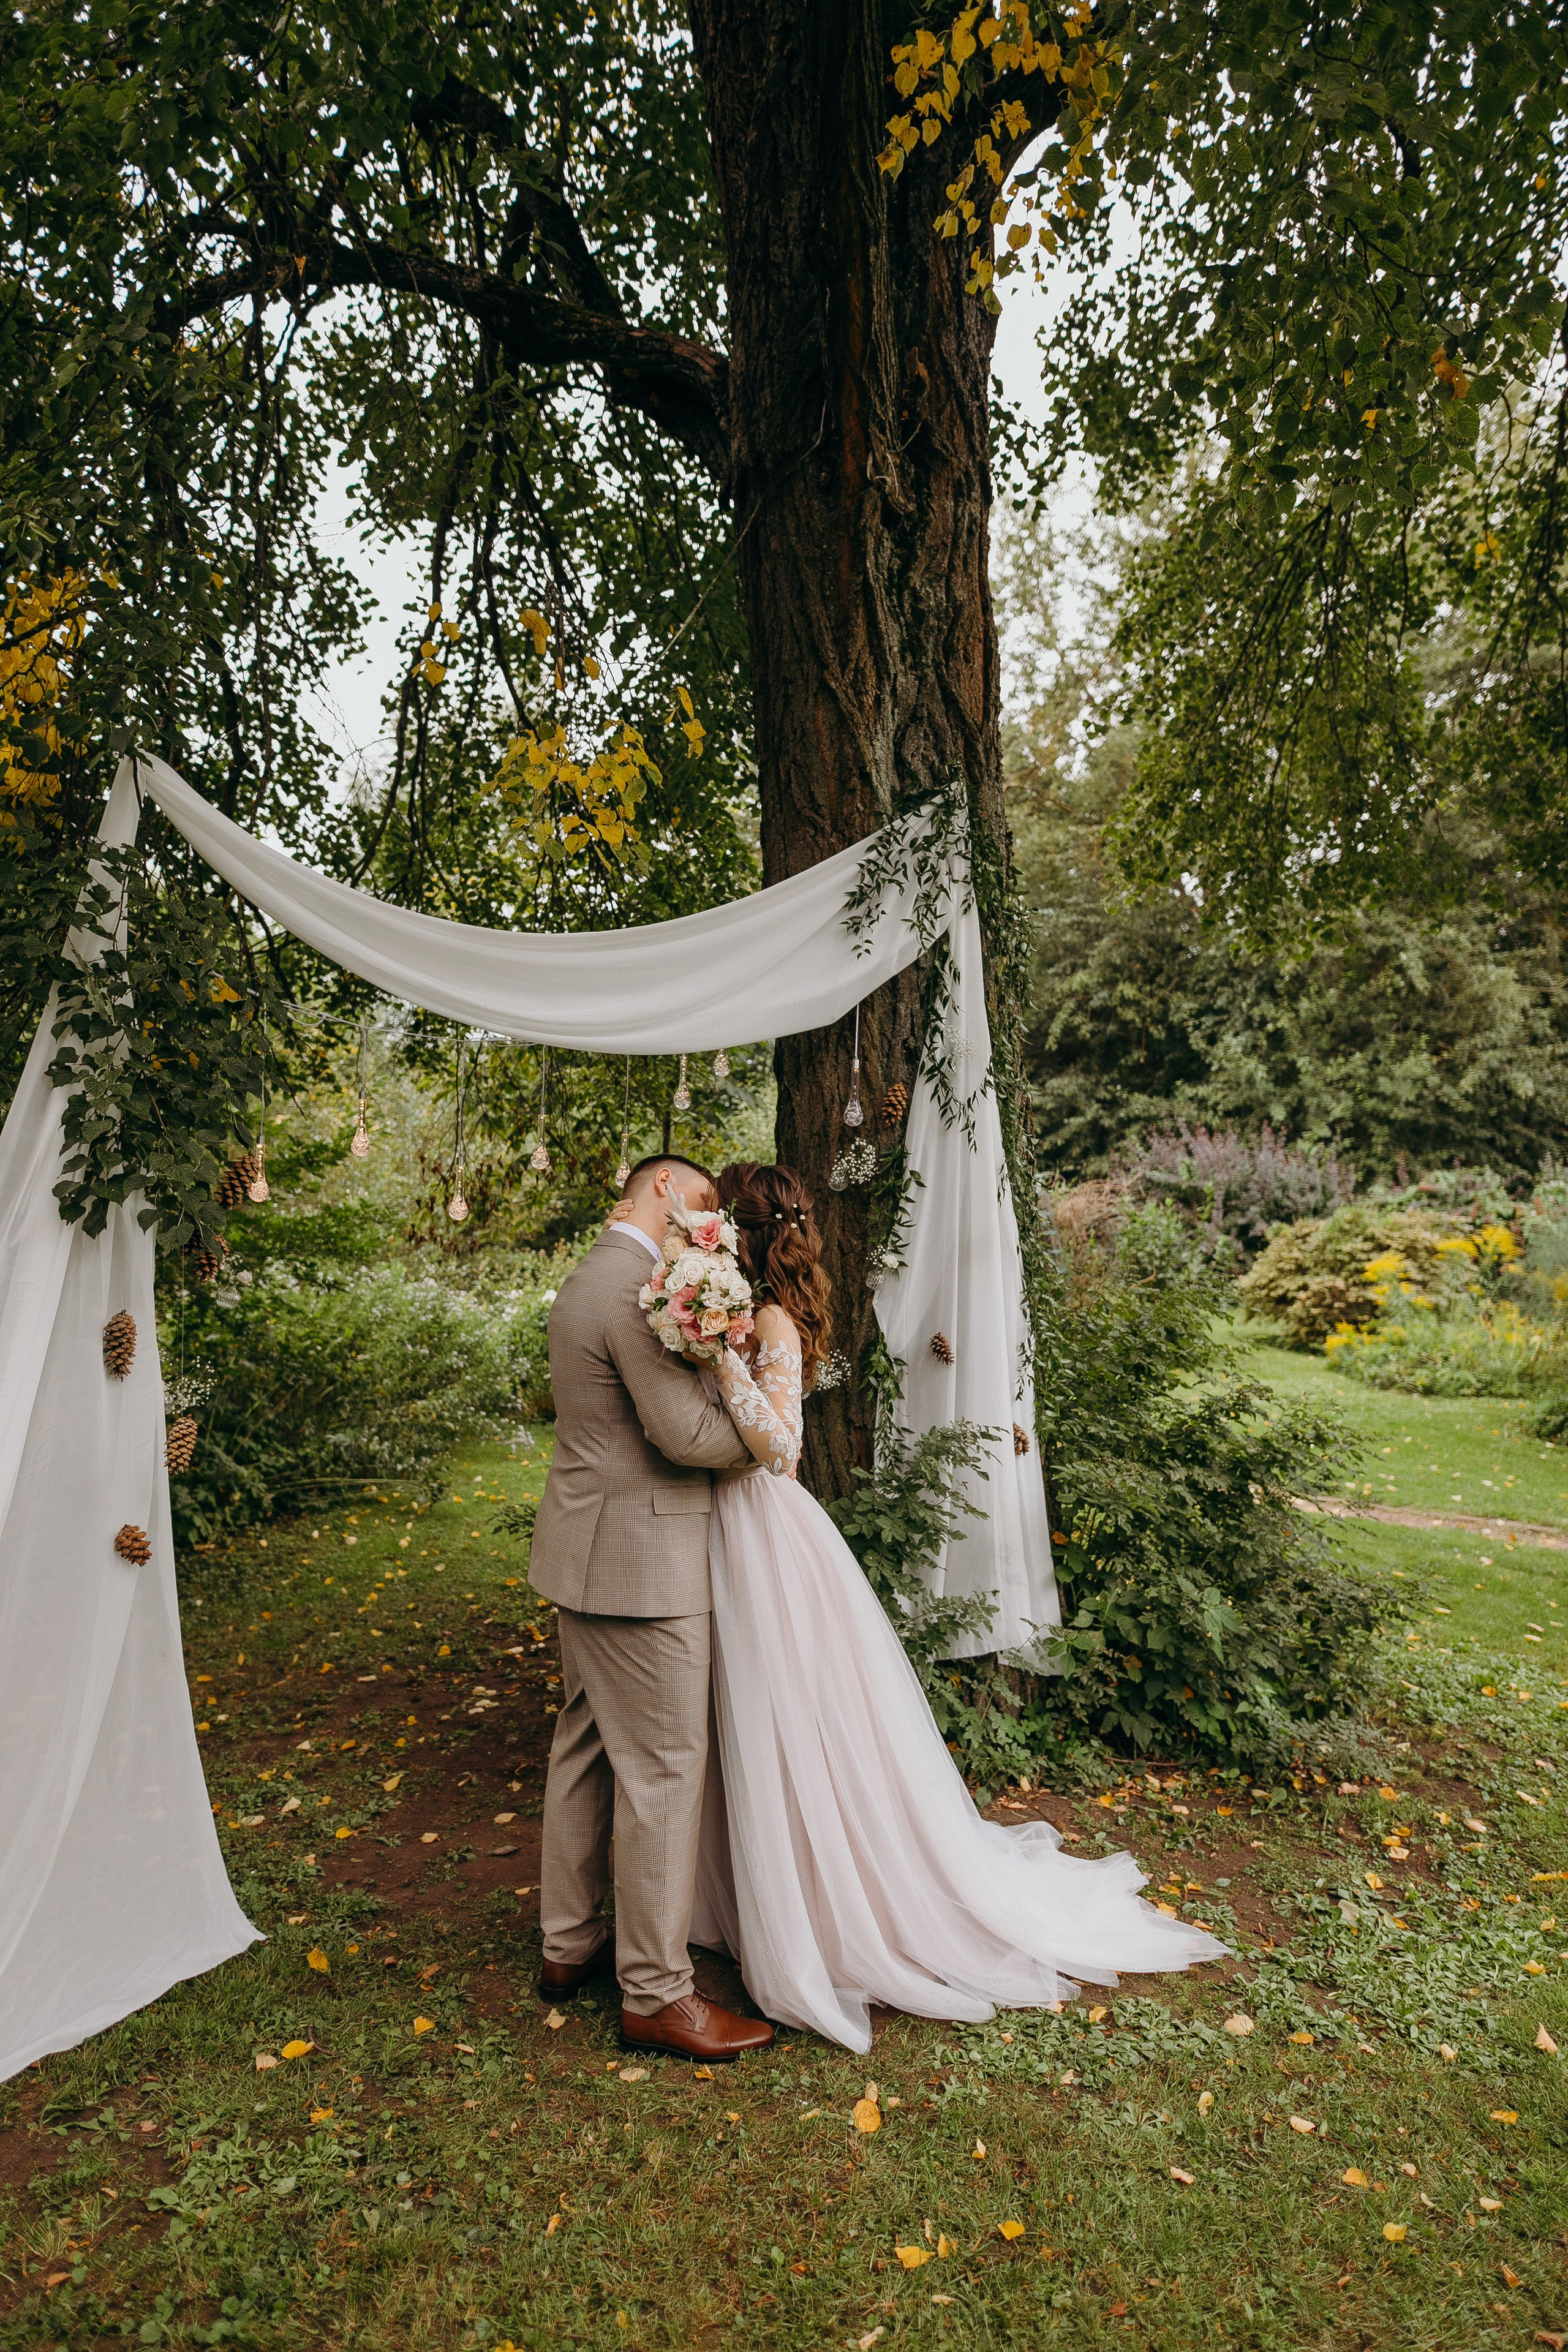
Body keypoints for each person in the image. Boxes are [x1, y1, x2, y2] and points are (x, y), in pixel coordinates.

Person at [685, 1159, 1229, 2052]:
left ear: (741, 1235)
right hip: (723, 1526)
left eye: (713, 1220)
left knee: (783, 1710)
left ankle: (820, 1904)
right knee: (738, 1713)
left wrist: (718, 1360)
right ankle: (739, 1889)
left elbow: (780, 1448)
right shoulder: (737, 1313)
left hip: (762, 1526)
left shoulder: (772, 1322)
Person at [530, 1152, 775, 2062]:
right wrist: (767, 1437)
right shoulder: (634, 1287)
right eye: (704, 1201)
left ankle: (568, 1946)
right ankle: (658, 1996)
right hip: (640, 1566)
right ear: (663, 1190)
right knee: (665, 1771)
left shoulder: (591, 1277)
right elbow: (686, 1435)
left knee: (587, 1749)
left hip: (587, 1552)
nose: (709, 1222)